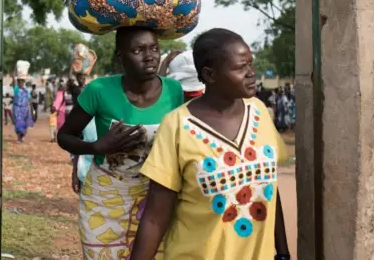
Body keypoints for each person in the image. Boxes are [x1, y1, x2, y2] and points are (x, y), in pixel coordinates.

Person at [131, 28, 291, 260]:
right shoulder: (177, 126)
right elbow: (155, 217)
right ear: (210, 74)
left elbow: (269, 189)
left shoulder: (259, 112)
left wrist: (283, 252)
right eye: (240, 67)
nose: (251, 73)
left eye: (250, 64)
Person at [57, 26, 183, 259]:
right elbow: (64, 136)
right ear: (120, 57)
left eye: (154, 48)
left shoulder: (175, 91)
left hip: (155, 199)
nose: (150, 56)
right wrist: (95, 147)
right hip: (105, 198)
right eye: (138, 50)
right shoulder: (99, 90)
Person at [11, 70, 34, 143]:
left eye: (22, 82)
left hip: (25, 110)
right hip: (17, 110)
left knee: (24, 125)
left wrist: (32, 110)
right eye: (19, 82)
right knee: (18, 124)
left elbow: (30, 101)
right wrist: (14, 72)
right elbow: (13, 81)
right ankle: (19, 138)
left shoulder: (26, 91)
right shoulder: (16, 89)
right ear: (18, 83)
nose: (21, 83)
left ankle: (22, 136)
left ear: (24, 83)